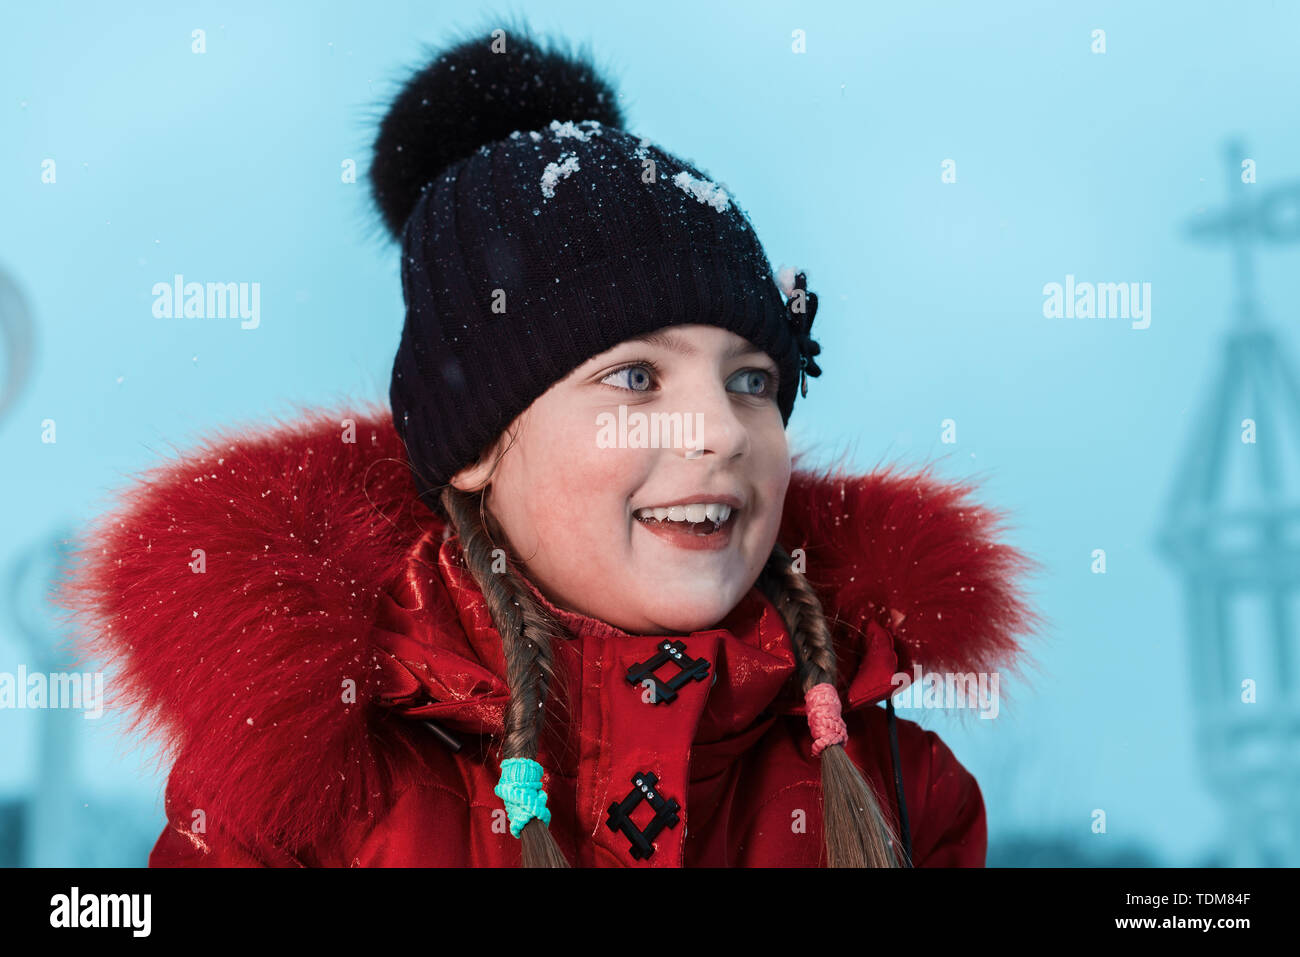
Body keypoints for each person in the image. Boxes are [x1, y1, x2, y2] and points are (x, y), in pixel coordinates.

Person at [56, 22, 1039, 868]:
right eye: (636, 379)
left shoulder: (902, 789)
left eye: (751, 381)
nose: (719, 432)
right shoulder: (309, 793)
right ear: (479, 442)